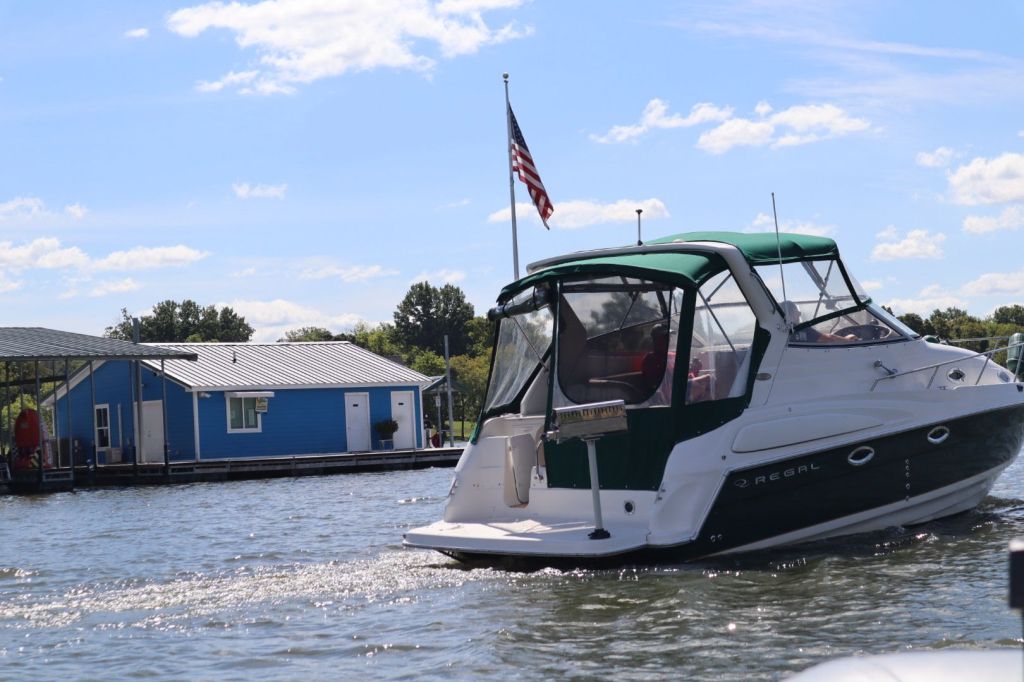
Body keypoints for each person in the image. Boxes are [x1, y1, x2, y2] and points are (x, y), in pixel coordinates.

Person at [784, 301, 856, 344]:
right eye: (797, 311)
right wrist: (848, 339)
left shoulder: (781, 331)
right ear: (791, 313)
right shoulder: (803, 329)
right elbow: (830, 339)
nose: (800, 314)